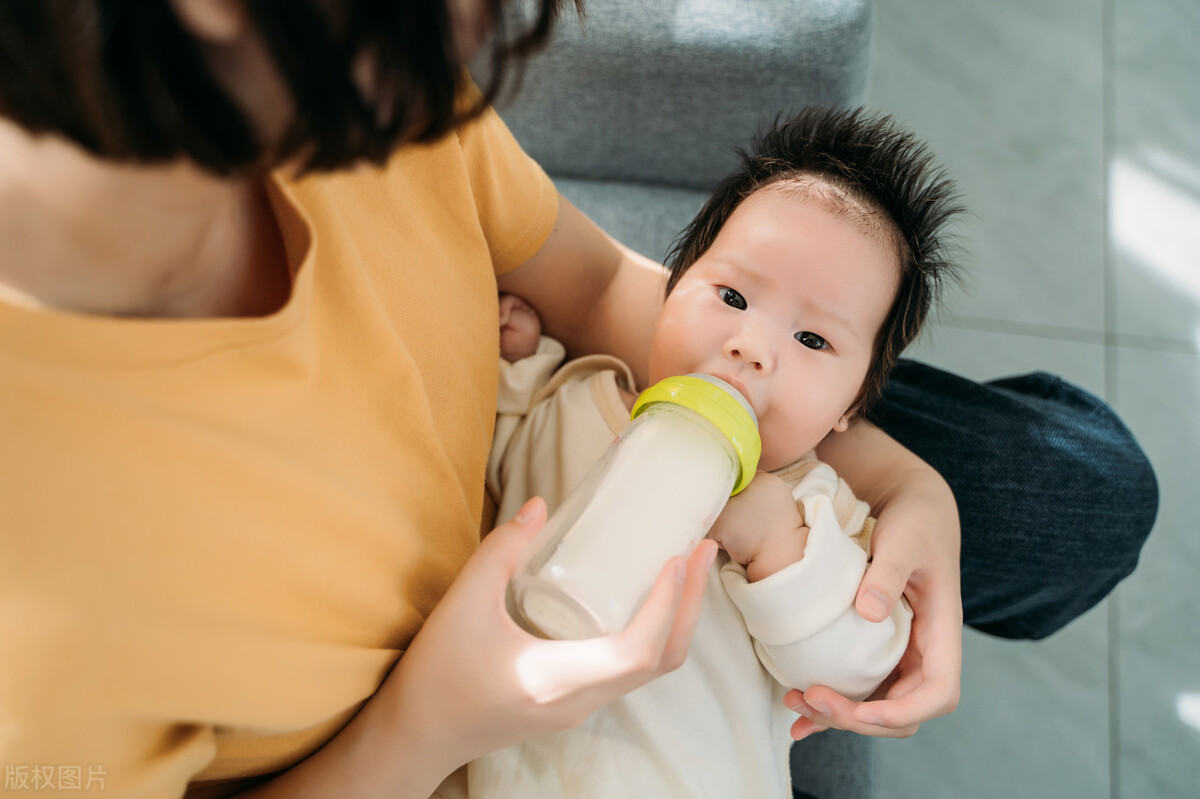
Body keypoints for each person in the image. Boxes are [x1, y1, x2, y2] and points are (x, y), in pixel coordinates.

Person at [0, 2, 1156, 798]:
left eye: (811, 339)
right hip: (446, 737)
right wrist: (431, 722)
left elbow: (596, 279)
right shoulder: (41, 633)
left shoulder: (375, 90)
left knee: (1083, 487)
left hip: (709, 468)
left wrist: (892, 482)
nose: (467, 48)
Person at [476, 106, 954, 797]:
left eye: (813, 340)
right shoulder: (576, 395)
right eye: (732, 295)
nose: (751, 347)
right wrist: (516, 359)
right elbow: (489, 458)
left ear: (848, 408)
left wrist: (778, 548)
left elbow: (862, 665)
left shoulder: (817, 511)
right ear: (669, 292)